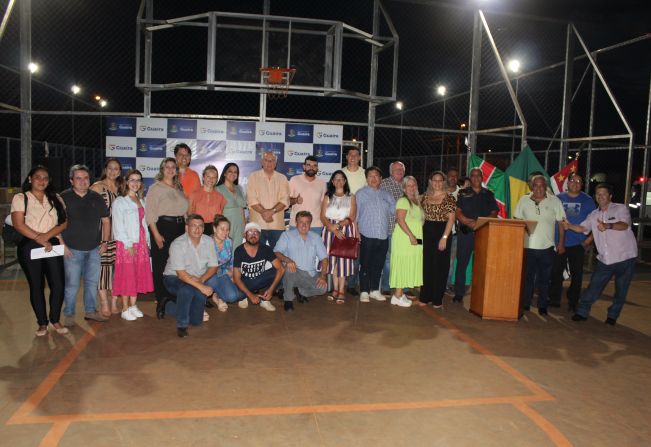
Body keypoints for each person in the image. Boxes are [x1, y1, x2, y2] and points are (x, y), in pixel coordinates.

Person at [564, 183, 638, 325]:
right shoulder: (593, 215)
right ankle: (581, 312)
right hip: (605, 259)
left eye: (604, 194)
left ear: (610, 196)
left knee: (621, 290)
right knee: (593, 288)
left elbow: (625, 225)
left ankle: (612, 316)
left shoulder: (620, 208)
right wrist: (569, 226)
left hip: (625, 257)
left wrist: (608, 225)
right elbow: (583, 228)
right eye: (598, 194)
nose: (600, 196)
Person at [11, 165, 68, 336]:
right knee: (36, 285)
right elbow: (18, 224)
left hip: (51, 242)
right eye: (38, 177)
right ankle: (42, 323)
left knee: (58, 284)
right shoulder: (21, 198)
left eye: (45, 178)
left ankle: (55, 320)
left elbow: (64, 222)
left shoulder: (56, 198)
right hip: (30, 244)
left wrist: (47, 236)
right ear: (30, 179)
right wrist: (38, 238)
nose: (42, 181)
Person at [60, 164, 110, 326]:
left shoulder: (96, 197)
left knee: (91, 282)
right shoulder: (63, 198)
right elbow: (55, 223)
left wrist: (105, 242)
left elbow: (106, 221)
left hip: (94, 249)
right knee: (72, 284)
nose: (82, 181)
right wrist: (63, 245)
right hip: (71, 250)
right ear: (71, 181)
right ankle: (69, 313)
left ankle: (90, 311)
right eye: (78, 178)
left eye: (86, 178)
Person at [514, 175, 566, 315]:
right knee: (527, 277)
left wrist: (561, 243)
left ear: (545, 186)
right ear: (531, 186)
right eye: (535, 185)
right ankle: (525, 303)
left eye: (541, 185)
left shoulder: (555, 201)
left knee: (545, 278)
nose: (538, 188)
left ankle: (542, 305)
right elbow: (517, 220)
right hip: (528, 247)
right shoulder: (524, 200)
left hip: (547, 248)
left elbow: (561, 224)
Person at [159, 214, 217, 337]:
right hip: (173, 278)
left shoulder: (209, 241)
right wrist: (202, 287)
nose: (197, 229)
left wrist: (201, 280)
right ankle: (182, 326)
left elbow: (213, 266)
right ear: (186, 228)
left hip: (197, 279)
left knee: (196, 321)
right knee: (187, 289)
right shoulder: (178, 244)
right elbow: (181, 275)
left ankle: (168, 305)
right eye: (193, 226)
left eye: (200, 226)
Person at [548, 173, 596, 311]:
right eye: (573, 180)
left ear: (582, 185)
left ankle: (573, 300)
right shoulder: (558, 198)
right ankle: (554, 298)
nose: (575, 183)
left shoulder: (588, 201)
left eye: (579, 181)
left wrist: (589, 240)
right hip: (559, 243)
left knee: (577, 274)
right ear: (567, 183)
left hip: (578, 244)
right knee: (556, 272)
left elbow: (595, 221)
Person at [146, 158, 188, 309]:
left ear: (176, 170)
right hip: (162, 227)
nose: (170, 170)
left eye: (173, 167)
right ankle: (161, 298)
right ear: (162, 170)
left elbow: (184, 211)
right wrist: (156, 235)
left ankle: (174, 295)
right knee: (160, 265)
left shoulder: (179, 188)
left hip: (180, 229)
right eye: (167, 167)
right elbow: (149, 214)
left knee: (176, 264)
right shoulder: (155, 188)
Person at [111, 169, 153, 321]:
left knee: (136, 274)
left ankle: (133, 306)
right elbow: (118, 227)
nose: (135, 183)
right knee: (127, 275)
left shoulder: (141, 200)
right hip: (127, 244)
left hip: (141, 242)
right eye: (132, 180)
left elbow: (143, 224)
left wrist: (146, 242)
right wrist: (128, 244)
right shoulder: (120, 202)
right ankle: (125, 308)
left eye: (138, 180)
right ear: (126, 182)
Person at [453, 168, 499, 304]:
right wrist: (468, 222)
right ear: (470, 178)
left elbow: (494, 212)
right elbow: (458, 212)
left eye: (478, 175)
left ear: (482, 177)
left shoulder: (489, 194)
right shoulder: (463, 193)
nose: (475, 178)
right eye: (473, 176)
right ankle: (459, 293)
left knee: (483, 264)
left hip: (483, 233)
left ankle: (482, 292)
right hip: (466, 233)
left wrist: (480, 223)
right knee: (462, 263)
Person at [274, 211, 329, 312]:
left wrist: (322, 276)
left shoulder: (316, 237)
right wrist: (287, 260)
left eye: (307, 222)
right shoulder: (287, 235)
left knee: (323, 288)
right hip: (294, 272)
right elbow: (277, 252)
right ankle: (288, 300)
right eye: (301, 222)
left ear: (310, 224)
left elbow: (324, 259)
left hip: (310, 274)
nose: (304, 225)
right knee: (289, 268)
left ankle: (300, 291)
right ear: (296, 223)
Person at [355, 166, 395, 303]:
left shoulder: (387, 195)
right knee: (365, 264)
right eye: (370, 176)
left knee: (378, 264)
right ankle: (364, 291)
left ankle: (374, 290)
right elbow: (355, 216)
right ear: (367, 179)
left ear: (381, 179)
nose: (373, 178)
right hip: (366, 234)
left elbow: (394, 212)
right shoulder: (360, 194)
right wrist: (356, 233)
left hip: (383, 236)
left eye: (376, 176)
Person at [90, 158, 123, 317]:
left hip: (119, 233)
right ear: (105, 169)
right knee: (103, 268)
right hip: (102, 233)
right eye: (110, 168)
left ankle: (114, 302)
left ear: (120, 172)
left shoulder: (121, 188)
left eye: (116, 169)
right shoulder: (97, 187)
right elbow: (88, 211)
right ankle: (103, 302)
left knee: (117, 269)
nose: (113, 171)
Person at [320, 170, 357, 304]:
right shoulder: (327, 196)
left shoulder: (351, 196)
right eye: (336, 178)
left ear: (345, 181)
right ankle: (335, 290)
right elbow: (322, 216)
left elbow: (352, 216)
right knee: (333, 261)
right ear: (332, 181)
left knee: (343, 262)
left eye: (341, 178)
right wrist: (331, 227)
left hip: (345, 229)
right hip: (329, 230)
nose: (339, 181)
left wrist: (340, 226)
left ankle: (342, 291)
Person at [420, 171, 456, 308]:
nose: (437, 183)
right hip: (427, 232)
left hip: (442, 232)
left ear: (443, 182)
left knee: (440, 267)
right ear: (430, 181)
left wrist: (445, 238)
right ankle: (425, 295)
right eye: (434, 180)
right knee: (427, 265)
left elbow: (451, 219)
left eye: (440, 180)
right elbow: (422, 217)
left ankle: (437, 298)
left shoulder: (449, 197)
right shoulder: (424, 197)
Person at [232, 222, 285, 312]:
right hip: (245, 282)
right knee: (236, 295)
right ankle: (244, 296)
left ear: (260, 235)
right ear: (245, 235)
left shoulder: (266, 249)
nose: (253, 235)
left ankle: (264, 299)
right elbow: (236, 278)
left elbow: (281, 269)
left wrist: (271, 290)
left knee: (282, 271)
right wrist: (250, 295)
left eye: (256, 232)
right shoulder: (239, 250)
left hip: (258, 279)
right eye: (250, 232)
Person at [389, 176, 423, 308]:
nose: (412, 187)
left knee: (408, 264)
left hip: (414, 238)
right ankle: (397, 296)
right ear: (404, 188)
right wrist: (411, 236)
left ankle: (400, 293)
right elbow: (401, 220)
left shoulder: (416, 201)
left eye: (414, 185)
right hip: (405, 238)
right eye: (408, 185)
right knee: (402, 265)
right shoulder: (403, 201)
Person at [246, 151, 290, 249]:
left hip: (277, 225)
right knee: (257, 256)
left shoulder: (282, 178)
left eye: (272, 160)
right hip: (258, 225)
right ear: (262, 162)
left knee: (278, 255)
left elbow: (285, 200)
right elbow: (251, 199)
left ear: (276, 163)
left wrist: (271, 211)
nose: (269, 163)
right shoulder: (253, 177)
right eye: (266, 160)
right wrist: (265, 212)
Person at [209, 215, 248, 311]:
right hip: (211, 275)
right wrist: (227, 272)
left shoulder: (228, 241)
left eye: (227, 229)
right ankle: (218, 295)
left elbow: (231, 259)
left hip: (225, 273)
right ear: (214, 228)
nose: (225, 232)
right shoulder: (207, 242)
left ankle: (216, 295)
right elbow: (208, 266)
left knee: (241, 292)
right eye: (222, 229)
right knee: (233, 296)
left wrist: (233, 273)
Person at [342, 146, 366, 296]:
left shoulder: (365, 174)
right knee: (339, 251)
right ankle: (337, 284)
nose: (353, 157)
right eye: (350, 154)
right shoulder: (341, 173)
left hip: (359, 219)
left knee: (355, 252)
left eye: (356, 155)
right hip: (342, 218)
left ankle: (351, 284)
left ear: (359, 158)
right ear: (346, 157)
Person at [380, 161, 406, 295]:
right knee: (389, 259)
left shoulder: (408, 184)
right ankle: (386, 286)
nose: (399, 171)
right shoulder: (383, 184)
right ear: (391, 171)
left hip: (406, 230)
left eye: (401, 169)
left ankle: (405, 288)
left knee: (405, 258)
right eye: (396, 169)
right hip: (391, 228)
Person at [288, 156, 326, 235]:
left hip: (316, 225)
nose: (311, 168)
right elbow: (286, 201)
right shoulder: (294, 180)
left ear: (317, 168)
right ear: (304, 167)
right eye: (309, 165)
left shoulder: (322, 183)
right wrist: (295, 200)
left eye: (314, 166)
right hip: (296, 224)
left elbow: (323, 205)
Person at [187, 165, 226, 236]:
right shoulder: (193, 195)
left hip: (214, 229)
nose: (211, 179)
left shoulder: (220, 197)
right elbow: (189, 215)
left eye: (214, 177)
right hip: (197, 228)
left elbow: (220, 217)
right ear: (203, 177)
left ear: (217, 179)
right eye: (208, 177)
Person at [216, 162, 247, 250]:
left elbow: (242, 209)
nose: (233, 174)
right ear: (225, 173)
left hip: (239, 223)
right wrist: (220, 227)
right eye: (230, 171)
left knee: (236, 249)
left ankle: (234, 264)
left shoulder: (239, 188)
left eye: (235, 172)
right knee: (225, 249)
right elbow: (218, 211)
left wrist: (244, 226)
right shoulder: (218, 189)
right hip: (226, 223)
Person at [445, 167, 461, 293]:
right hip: (440, 231)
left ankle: (447, 284)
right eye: (451, 175)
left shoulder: (462, 193)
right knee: (438, 259)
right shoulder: (440, 191)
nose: (453, 178)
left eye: (455, 176)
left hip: (455, 233)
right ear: (446, 177)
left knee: (450, 261)